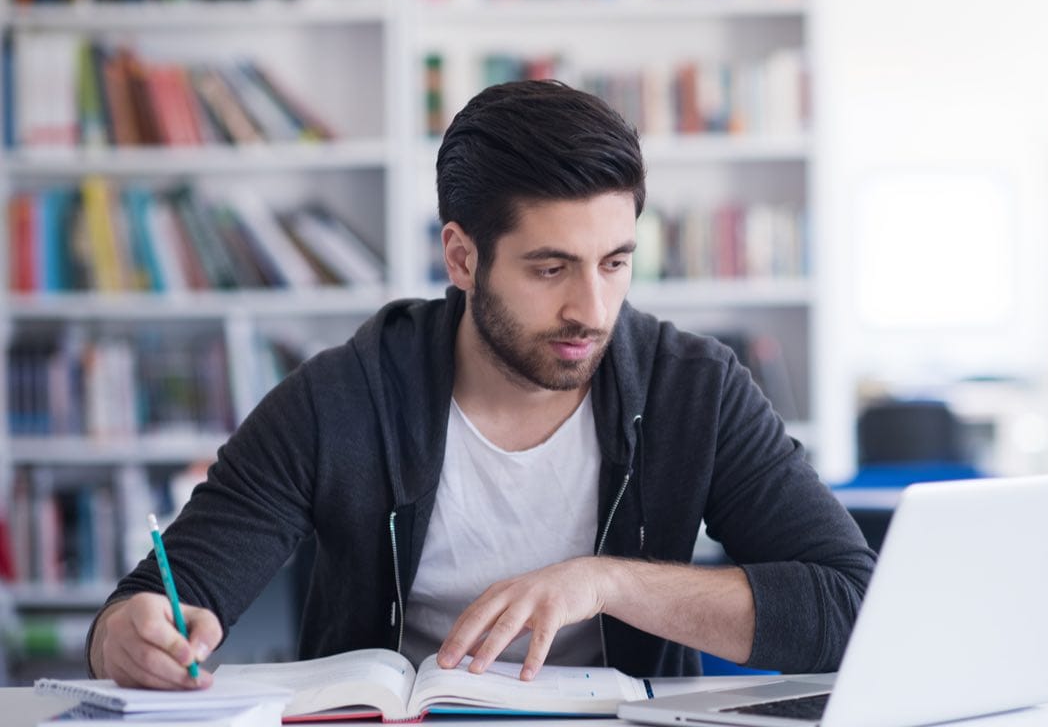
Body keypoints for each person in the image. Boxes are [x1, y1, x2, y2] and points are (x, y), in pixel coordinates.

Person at [86, 80, 875, 691]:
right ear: (461, 258)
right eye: (550, 267)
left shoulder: (693, 391)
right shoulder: (340, 400)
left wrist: (603, 584)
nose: (591, 311)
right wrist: (129, 633)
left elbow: (848, 606)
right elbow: (157, 596)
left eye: (615, 263)